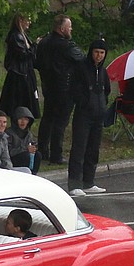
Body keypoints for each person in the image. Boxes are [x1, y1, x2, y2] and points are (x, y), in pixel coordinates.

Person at [34, 14, 83, 164]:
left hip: (48, 87)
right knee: (60, 122)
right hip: (64, 88)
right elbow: (82, 58)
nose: (71, 29)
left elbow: (37, 63)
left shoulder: (43, 43)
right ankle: (56, 154)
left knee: (48, 119)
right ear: (62, 29)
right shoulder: (66, 45)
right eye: (69, 27)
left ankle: (43, 151)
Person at [66, 37, 111, 196]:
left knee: (93, 148)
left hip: (99, 114)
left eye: (102, 53)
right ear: (91, 52)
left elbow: (107, 90)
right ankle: (74, 183)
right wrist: (84, 101)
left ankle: (88, 181)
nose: (99, 56)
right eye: (96, 52)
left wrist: (103, 105)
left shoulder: (103, 71)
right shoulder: (81, 68)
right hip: (84, 114)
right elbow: (73, 89)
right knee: (79, 147)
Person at [0, 14, 41, 119]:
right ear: (21, 20)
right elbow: (23, 55)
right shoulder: (16, 36)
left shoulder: (22, 35)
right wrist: (35, 45)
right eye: (28, 20)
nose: (29, 23)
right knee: (19, 105)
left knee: (25, 106)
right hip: (19, 76)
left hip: (25, 73)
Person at [6, 107, 40, 172]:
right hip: (13, 159)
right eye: (20, 119)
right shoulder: (9, 133)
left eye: (26, 119)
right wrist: (25, 149)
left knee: (37, 155)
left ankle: (34, 174)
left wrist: (34, 147)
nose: (23, 122)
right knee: (26, 155)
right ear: (15, 120)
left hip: (25, 157)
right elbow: (8, 152)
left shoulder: (29, 134)